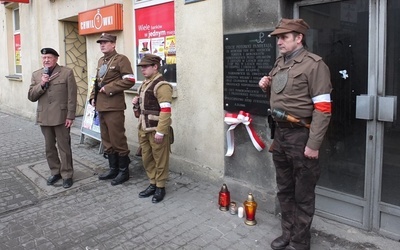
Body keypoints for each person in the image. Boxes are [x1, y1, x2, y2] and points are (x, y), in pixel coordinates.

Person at [259, 19, 332, 250]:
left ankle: (301, 242)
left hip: (302, 135)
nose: (279, 41)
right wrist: (266, 87)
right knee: (285, 188)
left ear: (299, 38)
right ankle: (287, 233)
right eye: (278, 38)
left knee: (303, 193)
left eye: (284, 37)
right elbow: (282, 97)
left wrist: (314, 144)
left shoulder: (314, 65)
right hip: (281, 134)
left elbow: (323, 109)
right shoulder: (280, 62)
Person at [89, 33, 136, 186]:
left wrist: (109, 88)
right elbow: (97, 81)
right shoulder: (102, 60)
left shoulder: (121, 59)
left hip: (114, 106)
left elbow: (129, 80)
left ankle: (124, 171)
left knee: (118, 139)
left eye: (105, 42)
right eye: (100, 43)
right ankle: (113, 168)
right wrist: (92, 96)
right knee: (107, 140)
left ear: (113, 44)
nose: (102, 45)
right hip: (101, 106)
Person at [28, 48, 77, 189]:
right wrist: (42, 84)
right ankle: (55, 172)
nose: (46, 60)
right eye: (44, 57)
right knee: (49, 147)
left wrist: (70, 115)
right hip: (44, 116)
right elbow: (31, 96)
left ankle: (67, 174)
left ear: (56, 58)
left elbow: (71, 96)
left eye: (49, 57)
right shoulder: (37, 75)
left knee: (64, 147)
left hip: (62, 117)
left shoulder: (66, 72)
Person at [132, 54, 173, 203]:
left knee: (160, 159)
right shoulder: (144, 84)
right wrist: (135, 103)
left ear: (155, 67)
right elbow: (141, 110)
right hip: (144, 127)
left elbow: (166, 111)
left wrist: (161, 131)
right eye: (141, 67)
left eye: (145, 66)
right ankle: (152, 183)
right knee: (147, 158)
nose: (142, 69)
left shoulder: (162, 86)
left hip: (156, 129)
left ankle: (160, 187)